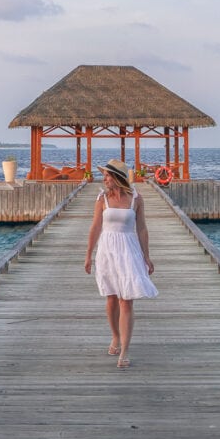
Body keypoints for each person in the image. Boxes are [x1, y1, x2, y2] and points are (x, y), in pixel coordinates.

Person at [84, 158, 157, 369]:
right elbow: (95, 228)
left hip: (128, 249)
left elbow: (142, 229)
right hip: (107, 250)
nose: (104, 179)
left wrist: (147, 256)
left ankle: (124, 349)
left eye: (107, 175)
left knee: (127, 299)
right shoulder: (102, 199)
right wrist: (88, 254)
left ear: (117, 177)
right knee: (111, 298)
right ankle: (115, 336)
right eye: (104, 175)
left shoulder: (136, 198)